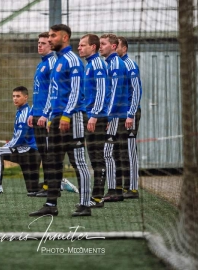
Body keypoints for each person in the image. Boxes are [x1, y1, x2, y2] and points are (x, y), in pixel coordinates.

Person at [29, 24, 91, 217]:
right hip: (56, 120)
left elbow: (76, 90)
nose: (50, 39)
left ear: (65, 38)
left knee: (78, 161)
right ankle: (51, 204)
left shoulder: (72, 60)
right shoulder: (57, 62)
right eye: (49, 36)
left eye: (53, 36)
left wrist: (66, 115)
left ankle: (85, 204)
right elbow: (53, 93)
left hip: (73, 118)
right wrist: (47, 115)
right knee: (53, 161)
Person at [27, 32, 78, 197]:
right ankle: (49, 184)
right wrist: (32, 111)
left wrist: (45, 114)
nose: (39, 45)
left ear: (51, 45)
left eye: (43, 43)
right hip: (37, 113)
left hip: (46, 116)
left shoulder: (53, 63)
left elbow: (52, 92)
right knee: (43, 152)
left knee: (50, 153)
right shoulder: (41, 64)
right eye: (39, 43)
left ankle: (52, 186)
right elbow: (39, 92)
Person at [0, 86, 41, 195]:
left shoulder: (25, 113)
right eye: (13, 96)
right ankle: (59, 183)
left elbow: (20, 136)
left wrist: (7, 146)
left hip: (29, 152)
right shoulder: (21, 111)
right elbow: (17, 136)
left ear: (26, 97)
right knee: (33, 190)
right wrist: (8, 144)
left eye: (18, 96)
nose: (15, 99)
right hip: (29, 153)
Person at [78, 34, 110, 208]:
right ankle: (96, 196)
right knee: (94, 157)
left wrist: (95, 115)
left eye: (83, 45)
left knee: (97, 157)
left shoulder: (97, 64)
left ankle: (98, 197)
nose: (79, 48)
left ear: (93, 47)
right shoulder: (89, 65)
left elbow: (102, 91)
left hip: (95, 117)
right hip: (90, 115)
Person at [99, 33, 130, 202]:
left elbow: (116, 93)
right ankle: (117, 189)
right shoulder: (109, 63)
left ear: (113, 46)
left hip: (116, 116)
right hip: (115, 115)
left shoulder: (116, 64)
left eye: (103, 43)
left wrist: (108, 116)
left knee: (108, 153)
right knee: (115, 153)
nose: (100, 46)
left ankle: (113, 191)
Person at [116, 36, 142, 199]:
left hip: (129, 115)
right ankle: (120, 186)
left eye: (115, 45)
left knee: (129, 150)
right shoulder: (114, 65)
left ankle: (132, 188)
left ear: (124, 48)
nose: (112, 47)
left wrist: (130, 114)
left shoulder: (130, 65)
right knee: (118, 151)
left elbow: (137, 91)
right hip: (117, 115)